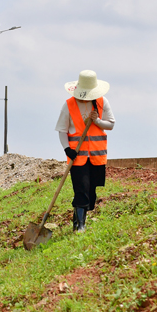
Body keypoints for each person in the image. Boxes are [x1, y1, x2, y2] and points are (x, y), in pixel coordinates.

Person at [55, 70, 115, 232]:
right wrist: (67, 149)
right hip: (78, 157)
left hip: (97, 156)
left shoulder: (102, 102)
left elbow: (110, 124)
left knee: (91, 190)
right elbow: (62, 130)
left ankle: (77, 219)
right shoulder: (69, 105)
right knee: (81, 188)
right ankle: (80, 226)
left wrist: (97, 121)